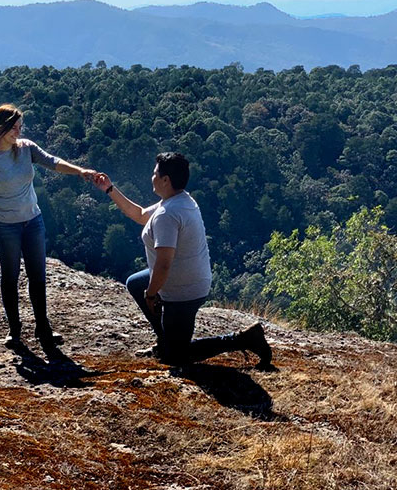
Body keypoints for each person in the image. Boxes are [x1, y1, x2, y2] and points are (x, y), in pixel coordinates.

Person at [93, 152, 272, 369]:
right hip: (189, 276)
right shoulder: (179, 200)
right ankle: (165, 339)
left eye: (155, 173)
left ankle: (244, 339)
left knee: (176, 357)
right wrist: (110, 189)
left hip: (184, 290)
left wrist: (151, 295)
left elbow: (163, 263)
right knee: (135, 282)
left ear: (166, 180)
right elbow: (139, 214)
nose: (152, 177)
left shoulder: (167, 214)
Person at [0, 104, 96, 350]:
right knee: (10, 277)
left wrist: (80, 171)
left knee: (37, 277)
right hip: (5, 225)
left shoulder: (26, 149)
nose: (17, 132)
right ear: (1, 127)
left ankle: (43, 328)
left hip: (33, 221)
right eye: (13, 128)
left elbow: (53, 162)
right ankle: (14, 331)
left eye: (20, 127)